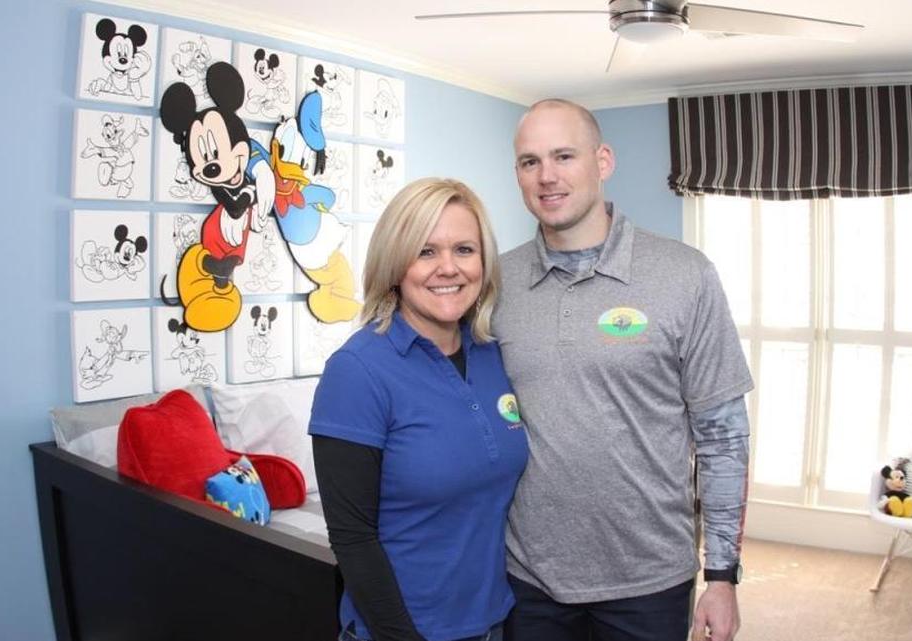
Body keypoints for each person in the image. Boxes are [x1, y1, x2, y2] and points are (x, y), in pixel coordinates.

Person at [493, 99, 753, 641]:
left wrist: (722, 575)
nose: (547, 177)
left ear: (603, 161)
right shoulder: (498, 283)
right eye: (529, 162)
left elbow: (723, 438)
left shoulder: (685, 275)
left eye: (564, 155)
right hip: (528, 581)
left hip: (650, 581)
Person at [310, 177, 530, 641]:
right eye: (426, 252)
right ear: (395, 264)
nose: (447, 268)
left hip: (493, 622)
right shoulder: (357, 370)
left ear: (484, 263)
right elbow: (353, 538)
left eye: (464, 250)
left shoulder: (492, 354)